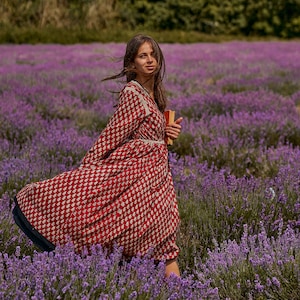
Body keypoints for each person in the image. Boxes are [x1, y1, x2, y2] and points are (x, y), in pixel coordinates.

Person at [13, 34, 183, 277]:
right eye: (143, 55)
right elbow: (112, 134)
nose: (150, 60)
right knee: (154, 240)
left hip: (156, 181)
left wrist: (167, 131)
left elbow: (151, 136)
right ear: (131, 63)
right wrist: (88, 170)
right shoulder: (133, 93)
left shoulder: (153, 94)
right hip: (138, 178)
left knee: (161, 238)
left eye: (153, 55)